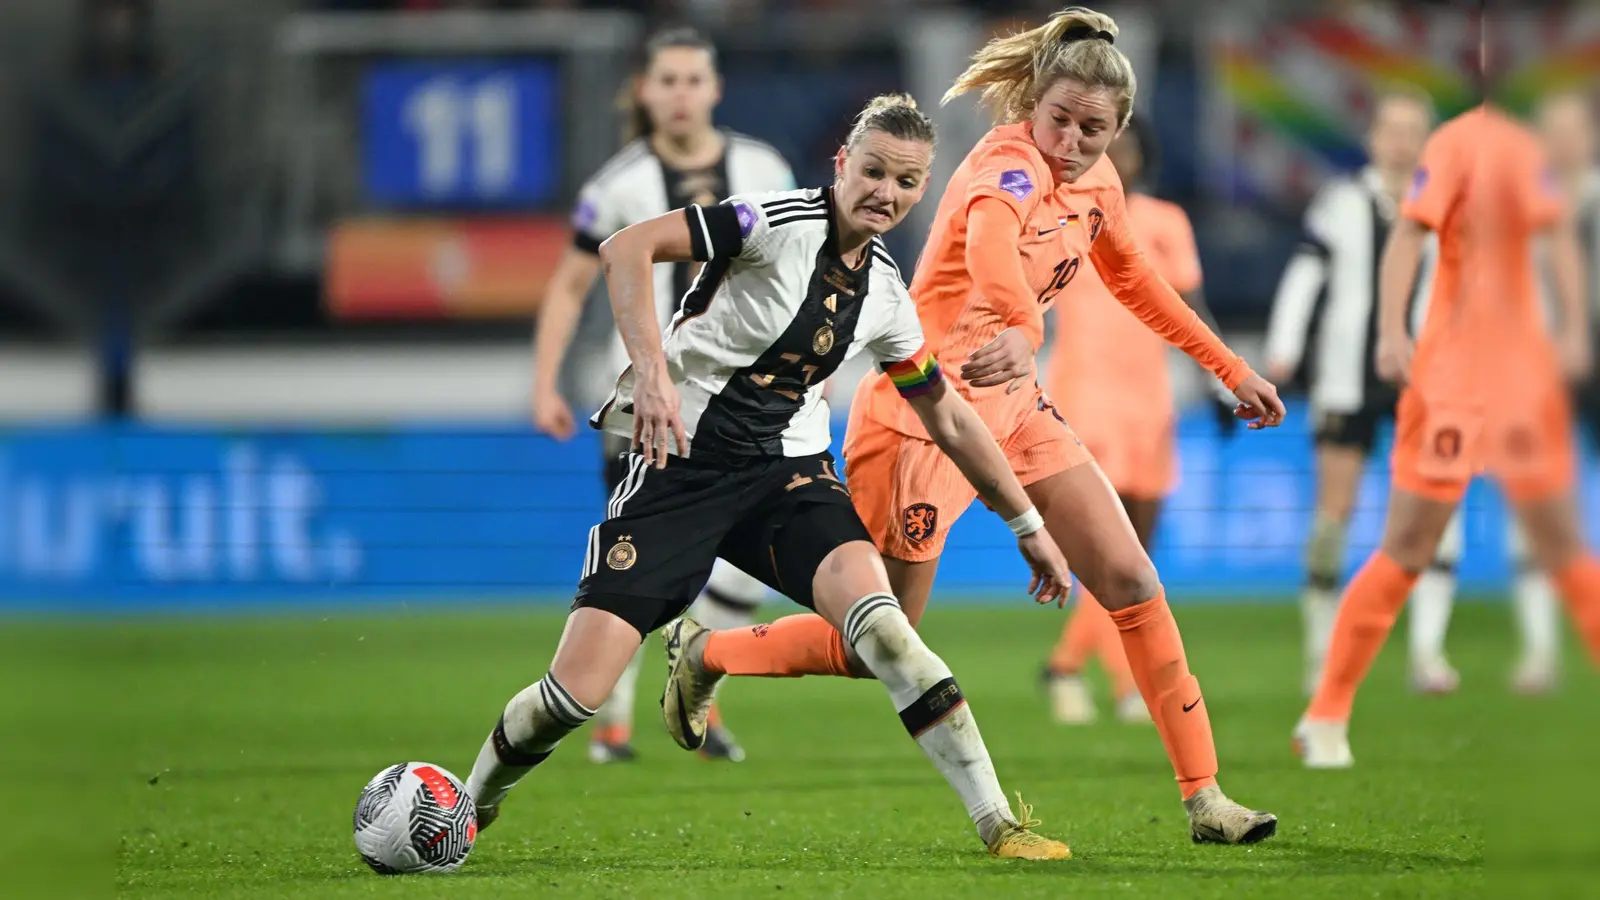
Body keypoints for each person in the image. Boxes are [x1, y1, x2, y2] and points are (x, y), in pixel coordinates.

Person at [685, 7, 1284, 845]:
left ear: (1121, 129)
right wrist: (1023, 325)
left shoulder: (1102, 185)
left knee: (1132, 581)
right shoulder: (1001, 167)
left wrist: (1232, 369)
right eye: (1061, 121)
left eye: (1094, 129)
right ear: (1031, 104)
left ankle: (1207, 799)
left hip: (1015, 410)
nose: (1072, 143)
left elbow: (1140, 283)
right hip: (920, 417)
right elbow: (997, 249)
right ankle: (708, 653)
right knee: (876, 644)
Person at [465, 94, 1075, 860]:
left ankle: (998, 824)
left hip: (788, 474)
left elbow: (949, 418)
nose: (886, 192)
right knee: (574, 696)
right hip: (676, 468)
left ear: (923, 189)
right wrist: (651, 375)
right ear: (841, 165)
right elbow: (625, 248)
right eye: (874, 170)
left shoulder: (886, 294)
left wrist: (1029, 526)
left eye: (907, 181)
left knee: (887, 632)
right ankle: (469, 802)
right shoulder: (768, 222)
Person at [1295, 54, 1600, 768]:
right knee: (1409, 547)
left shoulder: (1526, 155)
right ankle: (1327, 711)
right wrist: (1393, 331)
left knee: (1562, 547)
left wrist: (1573, 333)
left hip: (1524, 379)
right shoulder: (1456, 144)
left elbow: (1554, 237)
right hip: (1453, 378)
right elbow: (1410, 232)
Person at [529, 26, 796, 763]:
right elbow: (570, 286)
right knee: (637, 560)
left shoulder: (762, 167)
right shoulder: (617, 184)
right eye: (666, 81)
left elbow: (798, 271)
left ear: (714, 89)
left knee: (748, 567)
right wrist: (544, 380)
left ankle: (697, 689)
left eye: (692, 80)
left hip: (749, 400)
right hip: (650, 401)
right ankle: (612, 723)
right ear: (644, 91)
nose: (680, 94)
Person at [1261, 89, 1475, 695]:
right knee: (1334, 513)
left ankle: (1429, 653)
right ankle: (1320, 653)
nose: (1403, 141)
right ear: (1373, 138)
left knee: (1438, 510)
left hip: (1430, 378)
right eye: (1393, 129)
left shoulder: (1449, 202)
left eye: (1414, 130)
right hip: (1346, 375)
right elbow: (1306, 272)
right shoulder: (1340, 202)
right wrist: (1285, 345)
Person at [1039, 114, 1234, 725]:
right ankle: (1128, 686)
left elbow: (1189, 306)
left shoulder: (1166, 223)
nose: (1116, 159)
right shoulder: (1064, 211)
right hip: (1085, 392)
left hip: (1148, 398)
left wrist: (1221, 381)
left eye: (1127, 148)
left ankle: (1065, 667)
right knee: (1114, 550)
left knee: (1137, 552)